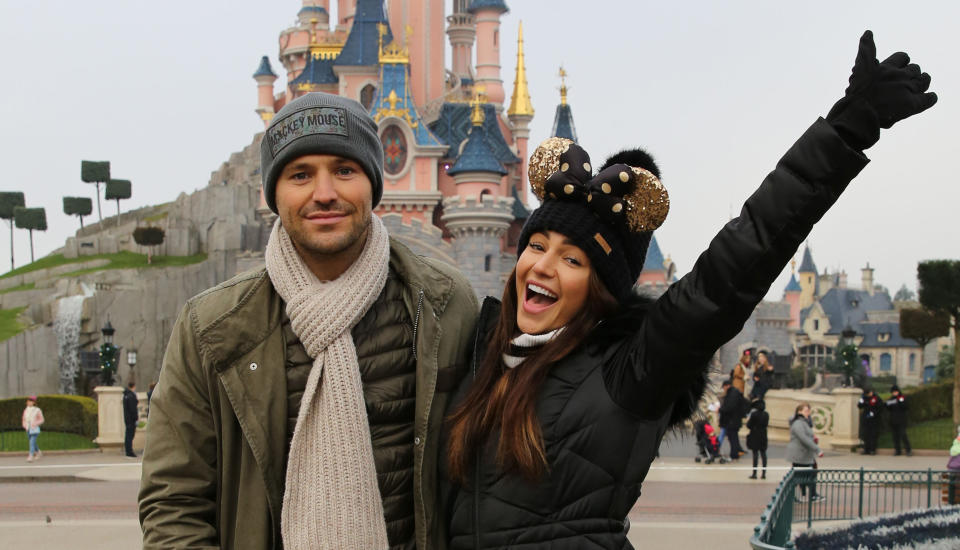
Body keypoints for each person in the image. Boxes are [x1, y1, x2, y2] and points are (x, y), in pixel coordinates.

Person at [441, 31, 935, 549]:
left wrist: (845, 132)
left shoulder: (626, 373)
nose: (541, 266)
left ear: (600, 288)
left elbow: (737, 262)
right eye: (536, 244)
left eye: (572, 258)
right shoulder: (483, 354)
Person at [138, 92, 477, 549]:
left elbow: (484, 482)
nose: (324, 193)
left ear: (373, 184)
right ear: (273, 193)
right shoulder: (212, 328)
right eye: (301, 174)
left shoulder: (445, 306)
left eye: (344, 170)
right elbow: (173, 500)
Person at [786, 403, 824, 502]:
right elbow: (803, 438)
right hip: (800, 454)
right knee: (804, 475)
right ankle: (808, 494)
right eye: (806, 410)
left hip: (805, 454)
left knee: (805, 474)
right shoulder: (798, 423)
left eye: (809, 411)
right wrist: (817, 449)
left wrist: (813, 439)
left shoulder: (804, 422)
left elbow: (807, 437)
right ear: (799, 412)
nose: (808, 413)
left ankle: (807, 494)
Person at [719, 379, 747, 460]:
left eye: (724, 387)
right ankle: (736, 452)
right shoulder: (734, 393)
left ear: (727, 386)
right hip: (734, 420)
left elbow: (729, 407)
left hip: (732, 421)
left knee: (732, 438)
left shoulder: (732, 394)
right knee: (734, 437)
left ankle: (734, 454)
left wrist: (721, 409)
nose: (724, 389)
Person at [885, 384, 912, 456]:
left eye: (895, 392)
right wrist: (888, 404)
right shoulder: (891, 399)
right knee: (895, 436)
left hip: (901, 419)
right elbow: (887, 407)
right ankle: (897, 450)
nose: (894, 393)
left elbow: (906, 406)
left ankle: (908, 450)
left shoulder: (902, 398)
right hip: (893, 419)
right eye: (893, 392)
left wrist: (899, 402)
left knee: (903, 435)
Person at [746, 399, 769, 479]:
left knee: (755, 454)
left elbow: (749, 425)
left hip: (755, 434)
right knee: (763, 454)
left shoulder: (754, 414)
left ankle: (754, 473)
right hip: (763, 435)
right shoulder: (766, 414)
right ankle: (764, 473)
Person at [858, 387, 882, 455]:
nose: (867, 395)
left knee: (873, 435)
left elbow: (880, 408)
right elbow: (859, 406)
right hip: (866, 419)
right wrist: (861, 401)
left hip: (874, 419)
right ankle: (866, 449)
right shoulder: (864, 398)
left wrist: (873, 413)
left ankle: (872, 449)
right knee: (866, 435)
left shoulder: (876, 398)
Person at [21, 395, 44, 463]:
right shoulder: (25, 410)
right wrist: (24, 425)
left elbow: (42, 419)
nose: (29, 402)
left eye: (31, 401)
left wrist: (35, 423)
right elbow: (23, 419)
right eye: (28, 401)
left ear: (34, 402)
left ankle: (30, 456)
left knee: (31, 442)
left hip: (34, 429)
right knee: (33, 442)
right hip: (28, 428)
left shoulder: (37, 410)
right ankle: (38, 452)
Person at [123, 382, 139, 458]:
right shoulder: (131, 396)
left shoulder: (126, 395)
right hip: (131, 419)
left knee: (128, 435)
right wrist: (136, 418)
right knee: (130, 435)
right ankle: (129, 451)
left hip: (127, 419)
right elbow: (133, 409)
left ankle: (128, 450)